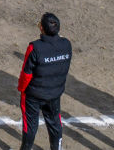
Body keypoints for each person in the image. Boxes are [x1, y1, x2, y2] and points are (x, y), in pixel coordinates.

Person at [17, 12, 71, 150]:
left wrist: (22, 89)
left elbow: (26, 74)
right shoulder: (67, 44)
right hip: (54, 94)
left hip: (34, 95)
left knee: (31, 125)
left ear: (41, 28)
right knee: (55, 123)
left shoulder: (35, 47)